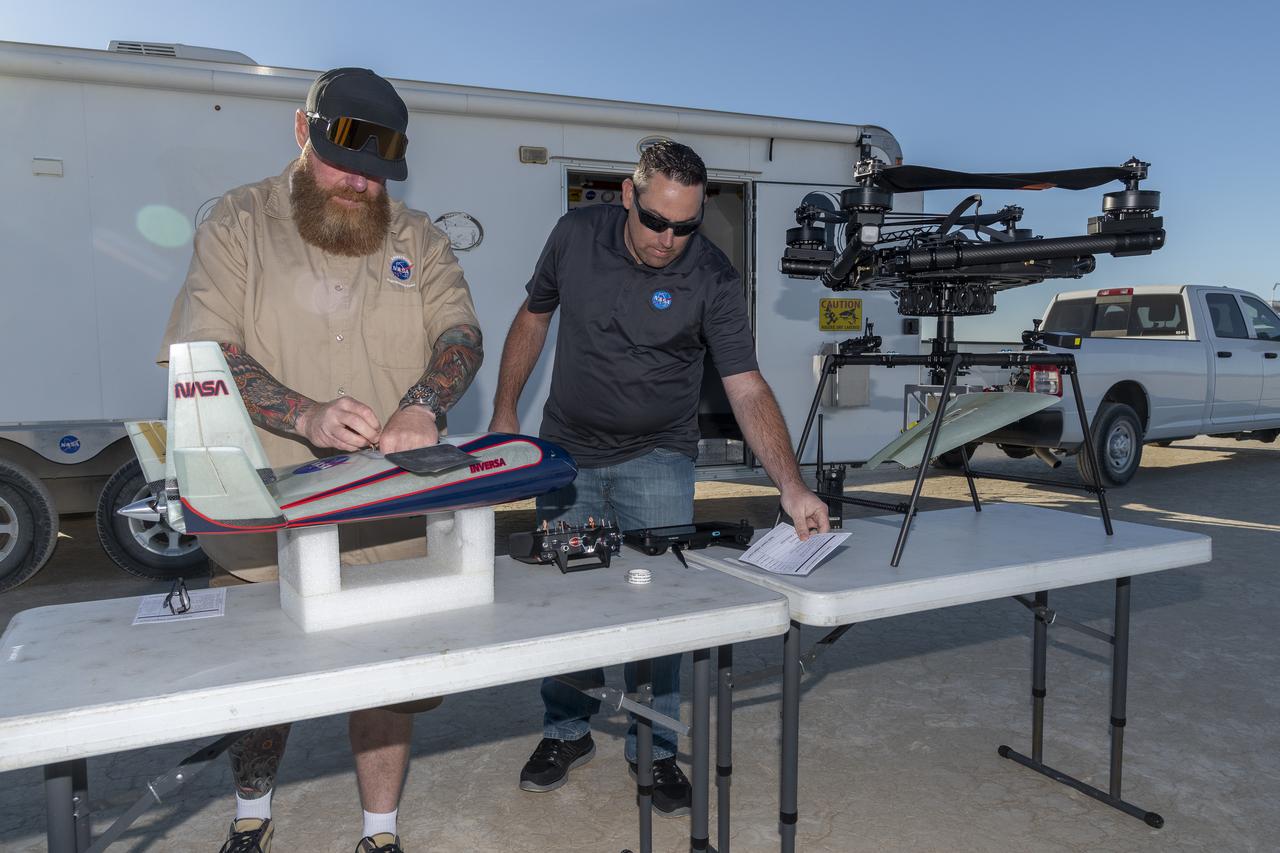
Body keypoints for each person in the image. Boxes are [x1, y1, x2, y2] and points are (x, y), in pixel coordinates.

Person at [160, 67, 483, 853]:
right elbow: (203, 354)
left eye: (375, 173)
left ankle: (379, 831)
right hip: (266, 515)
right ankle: (252, 809)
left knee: (387, 682)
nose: (357, 184)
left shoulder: (420, 239)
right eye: (344, 164)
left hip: (387, 521)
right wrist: (302, 413)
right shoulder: (238, 224)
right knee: (261, 687)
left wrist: (423, 403)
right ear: (301, 132)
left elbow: (461, 336)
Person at [488, 140, 829, 816]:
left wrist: (790, 484)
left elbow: (747, 386)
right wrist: (504, 412)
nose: (669, 239)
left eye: (686, 226)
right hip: (568, 453)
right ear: (627, 195)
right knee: (571, 601)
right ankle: (566, 731)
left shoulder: (713, 276)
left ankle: (657, 747)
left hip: (661, 456)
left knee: (662, 612)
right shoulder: (573, 237)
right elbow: (534, 316)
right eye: (656, 221)